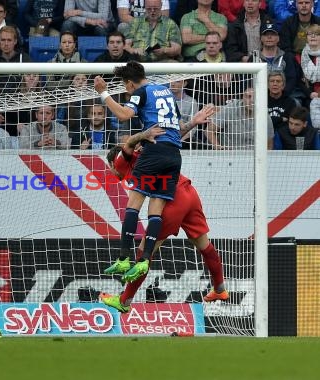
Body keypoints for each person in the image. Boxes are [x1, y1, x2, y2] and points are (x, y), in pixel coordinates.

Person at [94, 61, 215, 283]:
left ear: (129, 84)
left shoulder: (140, 92)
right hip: (174, 156)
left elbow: (123, 115)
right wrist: (194, 123)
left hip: (153, 152)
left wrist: (104, 94)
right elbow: (176, 129)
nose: (128, 91)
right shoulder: (167, 92)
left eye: (125, 87)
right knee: (156, 212)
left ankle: (123, 258)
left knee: (133, 205)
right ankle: (143, 261)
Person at [99, 135, 228, 312]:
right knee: (204, 245)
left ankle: (124, 301)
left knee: (145, 252)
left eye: (110, 168)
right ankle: (220, 289)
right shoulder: (145, 156)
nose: (112, 172)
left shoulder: (122, 162)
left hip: (173, 199)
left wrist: (137, 142)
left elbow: (126, 148)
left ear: (113, 163)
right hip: (189, 193)